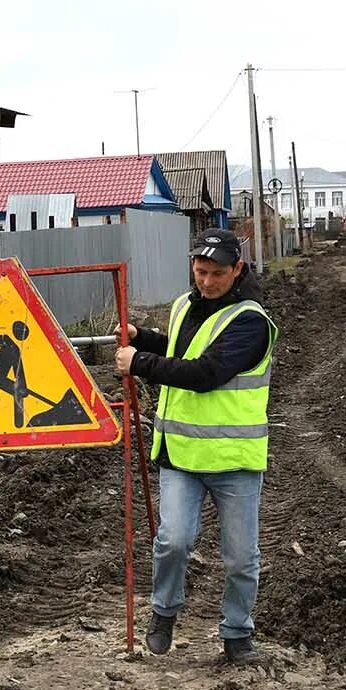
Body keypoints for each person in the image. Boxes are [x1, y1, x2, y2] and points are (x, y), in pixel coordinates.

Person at [114, 231, 278, 666]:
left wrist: (140, 363)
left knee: (241, 557)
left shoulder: (251, 322)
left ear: (237, 270)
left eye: (217, 274)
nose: (206, 281)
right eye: (200, 271)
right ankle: (164, 612)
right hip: (181, 455)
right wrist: (142, 337)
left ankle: (237, 636)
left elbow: (206, 371)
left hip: (234, 461)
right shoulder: (185, 304)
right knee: (173, 540)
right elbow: (180, 349)